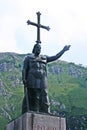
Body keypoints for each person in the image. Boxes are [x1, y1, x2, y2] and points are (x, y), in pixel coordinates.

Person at [22, 43, 70, 114]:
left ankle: (46, 111)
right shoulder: (28, 58)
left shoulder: (44, 58)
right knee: (33, 94)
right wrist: (24, 78)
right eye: (38, 48)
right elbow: (24, 68)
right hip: (32, 77)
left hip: (42, 78)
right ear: (34, 49)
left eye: (40, 48)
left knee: (44, 93)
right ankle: (35, 110)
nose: (39, 50)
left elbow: (55, 57)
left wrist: (63, 50)